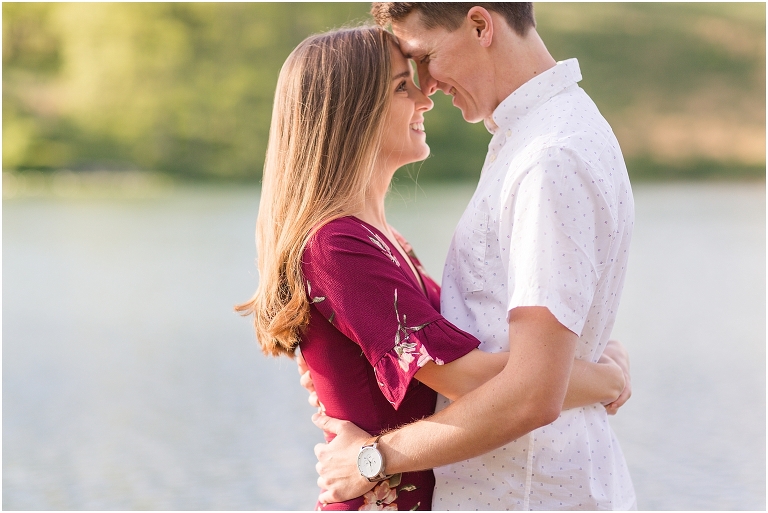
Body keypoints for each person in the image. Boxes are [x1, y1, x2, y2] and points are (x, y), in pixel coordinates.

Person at [236, 25, 629, 510]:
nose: (426, 98)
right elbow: (468, 378)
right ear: (352, 113)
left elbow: (477, 347)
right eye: (402, 86)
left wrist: (596, 350)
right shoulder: (336, 248)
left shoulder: (385, 241)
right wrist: (603, 379)